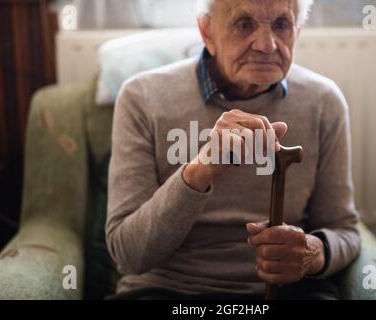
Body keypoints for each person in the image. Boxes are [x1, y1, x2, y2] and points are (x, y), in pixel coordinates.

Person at [106, 0, 361, 300]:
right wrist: (199, 171)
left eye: (281, 25)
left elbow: (344, 229)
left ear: (298, 31)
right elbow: (128, 254)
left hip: (286, 293)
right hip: (167, 291)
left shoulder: (324, 102)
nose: (267, 45)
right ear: (207, 33)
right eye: (244, 24)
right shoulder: (142, 98)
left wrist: (313, 252)